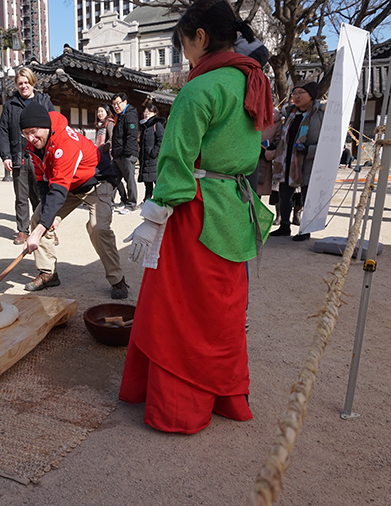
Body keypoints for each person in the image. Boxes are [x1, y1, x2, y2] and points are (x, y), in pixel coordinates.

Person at [119, 0, 274, 434]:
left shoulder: (200, 88)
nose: (184, 52)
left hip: (196, 210)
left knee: (180, 309)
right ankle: (226, 395)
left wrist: (153, 215)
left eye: (183, 42)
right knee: (222, 308)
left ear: (200, 37)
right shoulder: (252, 80)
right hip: (235, 206)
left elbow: (176, 160)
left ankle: (179, 408)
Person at [19, 101, 130, 299]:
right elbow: (44, 183)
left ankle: (117, 279)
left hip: (96, 181)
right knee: (38, 217)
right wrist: (48, 217)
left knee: (98, 227)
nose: (31, 138)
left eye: (34, 132)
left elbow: (59, 188)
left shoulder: (65, 142)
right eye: (26, 133)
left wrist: (37, 232)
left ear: (45, 125)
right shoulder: (33, 145)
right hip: (69, 185)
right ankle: (48, 273)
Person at [0, 67, 55, 245]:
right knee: (21, 195)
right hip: (19, 154)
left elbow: (54, 125)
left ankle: (44, 228)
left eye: (26, 82)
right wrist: (6, 155)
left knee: (42, 193)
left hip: (40, 154)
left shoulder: (43, 100)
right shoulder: (10, 105)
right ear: (16, 85)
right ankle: (23, 230)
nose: (24, 86)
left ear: (32, 83)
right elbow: (4, 131)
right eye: (20, 83)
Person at [270, 80, 324, 241]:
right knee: (284, 195)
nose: (297, 96)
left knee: (307, 197)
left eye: (301, 93)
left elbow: (327, 140)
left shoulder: (320, 114)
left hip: (308, 160)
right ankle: (284, 226)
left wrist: (309, 150)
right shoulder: (289, 113)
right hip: (287, 160)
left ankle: (305, 229)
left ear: (311, 95)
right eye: (295, 93)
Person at [111, 92, 141, 214]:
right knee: (113, 179)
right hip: (118, 154)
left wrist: (127, 153)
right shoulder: (119, 116)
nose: (116, 106)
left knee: (129, 180)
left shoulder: (130, 115)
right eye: (114, 104)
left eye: (118, 103)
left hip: (127, 154)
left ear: (125, 102)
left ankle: (131, 204)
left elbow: (132, 136)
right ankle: (112, 202)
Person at [95, 103, 127, 209]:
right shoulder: (100, 124)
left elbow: (111, 139)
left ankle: (123, 198)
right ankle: (111, 199)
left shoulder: (109, 123)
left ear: (107, 112)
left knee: (112, 177)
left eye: (102, 111)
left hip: (107, 154)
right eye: (98, 111)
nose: (99, 113)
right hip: (100, 154)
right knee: (109, 177)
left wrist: (102, 149)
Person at [137, 103, 165, 203]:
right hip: (145, 158)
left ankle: (161, 199)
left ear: (155, 113)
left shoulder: (157, 125)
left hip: (154, 158)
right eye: (145, 111)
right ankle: (147, 200)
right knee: (147, 181)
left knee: (156, 180)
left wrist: (153, 152)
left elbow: (161, 140)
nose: (146, 114)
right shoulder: (145, 126)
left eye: (149, 112)